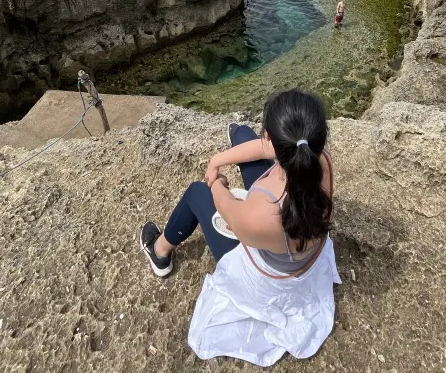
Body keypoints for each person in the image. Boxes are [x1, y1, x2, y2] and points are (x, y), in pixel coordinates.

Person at [140, 90, 341, 366]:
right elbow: (261, 148)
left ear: (272, 140)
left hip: (267, 268)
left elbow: (225, 206)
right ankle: (239, 135)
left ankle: (159, 251)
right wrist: (218, 159)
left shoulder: (261, 214)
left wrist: (215, 180)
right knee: (242, 134)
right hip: (292, 237)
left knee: (197, 193)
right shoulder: (321, 160)